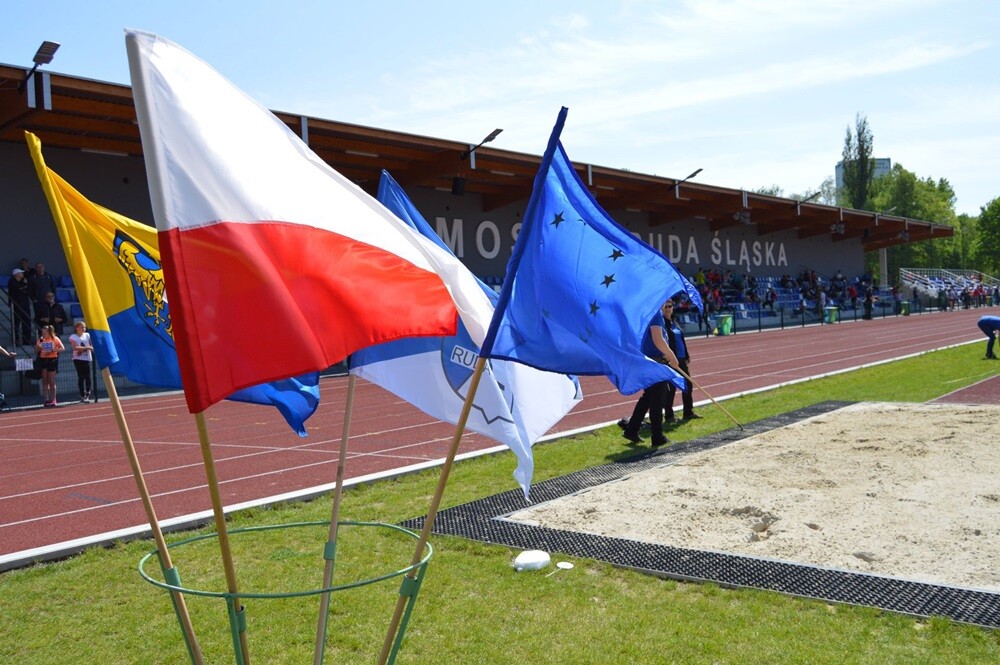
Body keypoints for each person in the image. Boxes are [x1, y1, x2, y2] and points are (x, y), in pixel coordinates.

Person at [621, 300, 680, 447]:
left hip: (649, 361)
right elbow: (658, 339)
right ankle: (657, 436)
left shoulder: (647, 312)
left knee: (648, 397)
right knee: (657, 400)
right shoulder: (656, 314)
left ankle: (632, 430)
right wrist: (672, 356)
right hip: (655, 362)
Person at [662, 300, 700, 423]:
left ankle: (688, 412)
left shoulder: (674, 322)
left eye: (670, 306)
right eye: (665, 307)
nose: (668, 309)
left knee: (688, 384)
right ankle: (669, 416)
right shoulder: (662, 324)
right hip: (671, 360)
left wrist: (687, 354)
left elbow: (681, 340)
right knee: (671, 388)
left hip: (682, 359)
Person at [35, 325, 65, 407]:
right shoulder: (41, 339)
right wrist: (39, 347)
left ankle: (53, 399)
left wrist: (53, 350)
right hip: (43, 359)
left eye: (45, 333)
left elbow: (62, 348)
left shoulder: (55, 339)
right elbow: (37, 349)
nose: (43, 334)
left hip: (52, 359)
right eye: (42, 333)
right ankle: (46, 399)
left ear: (49, 332)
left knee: (51, 380)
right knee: (45, 380)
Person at [69, 321, 94, 402]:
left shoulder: (87, 335)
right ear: (77, 328)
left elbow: (91, 344)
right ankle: (82, 395)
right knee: (81, 376)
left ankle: (87, 393)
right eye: (82, 327)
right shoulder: (73, 337)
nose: (84, 329)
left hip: (86, 358)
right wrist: (87, 348)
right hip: (78, 359)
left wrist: (87, 347)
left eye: (84, 327)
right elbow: (75, 348)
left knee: (88, 376)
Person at [7, 268, 33, 344]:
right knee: (16, 324)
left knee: (27, 322)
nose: (22, 274)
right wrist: (25, 284)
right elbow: (20, 289)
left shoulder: (22, 281)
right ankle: (16, 341)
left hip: (25, 305)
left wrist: (25, 285)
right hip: (16, 305)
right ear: (17, 274)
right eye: (21, 273)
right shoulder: (12, 282)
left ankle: (27, 341)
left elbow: (28, 291)